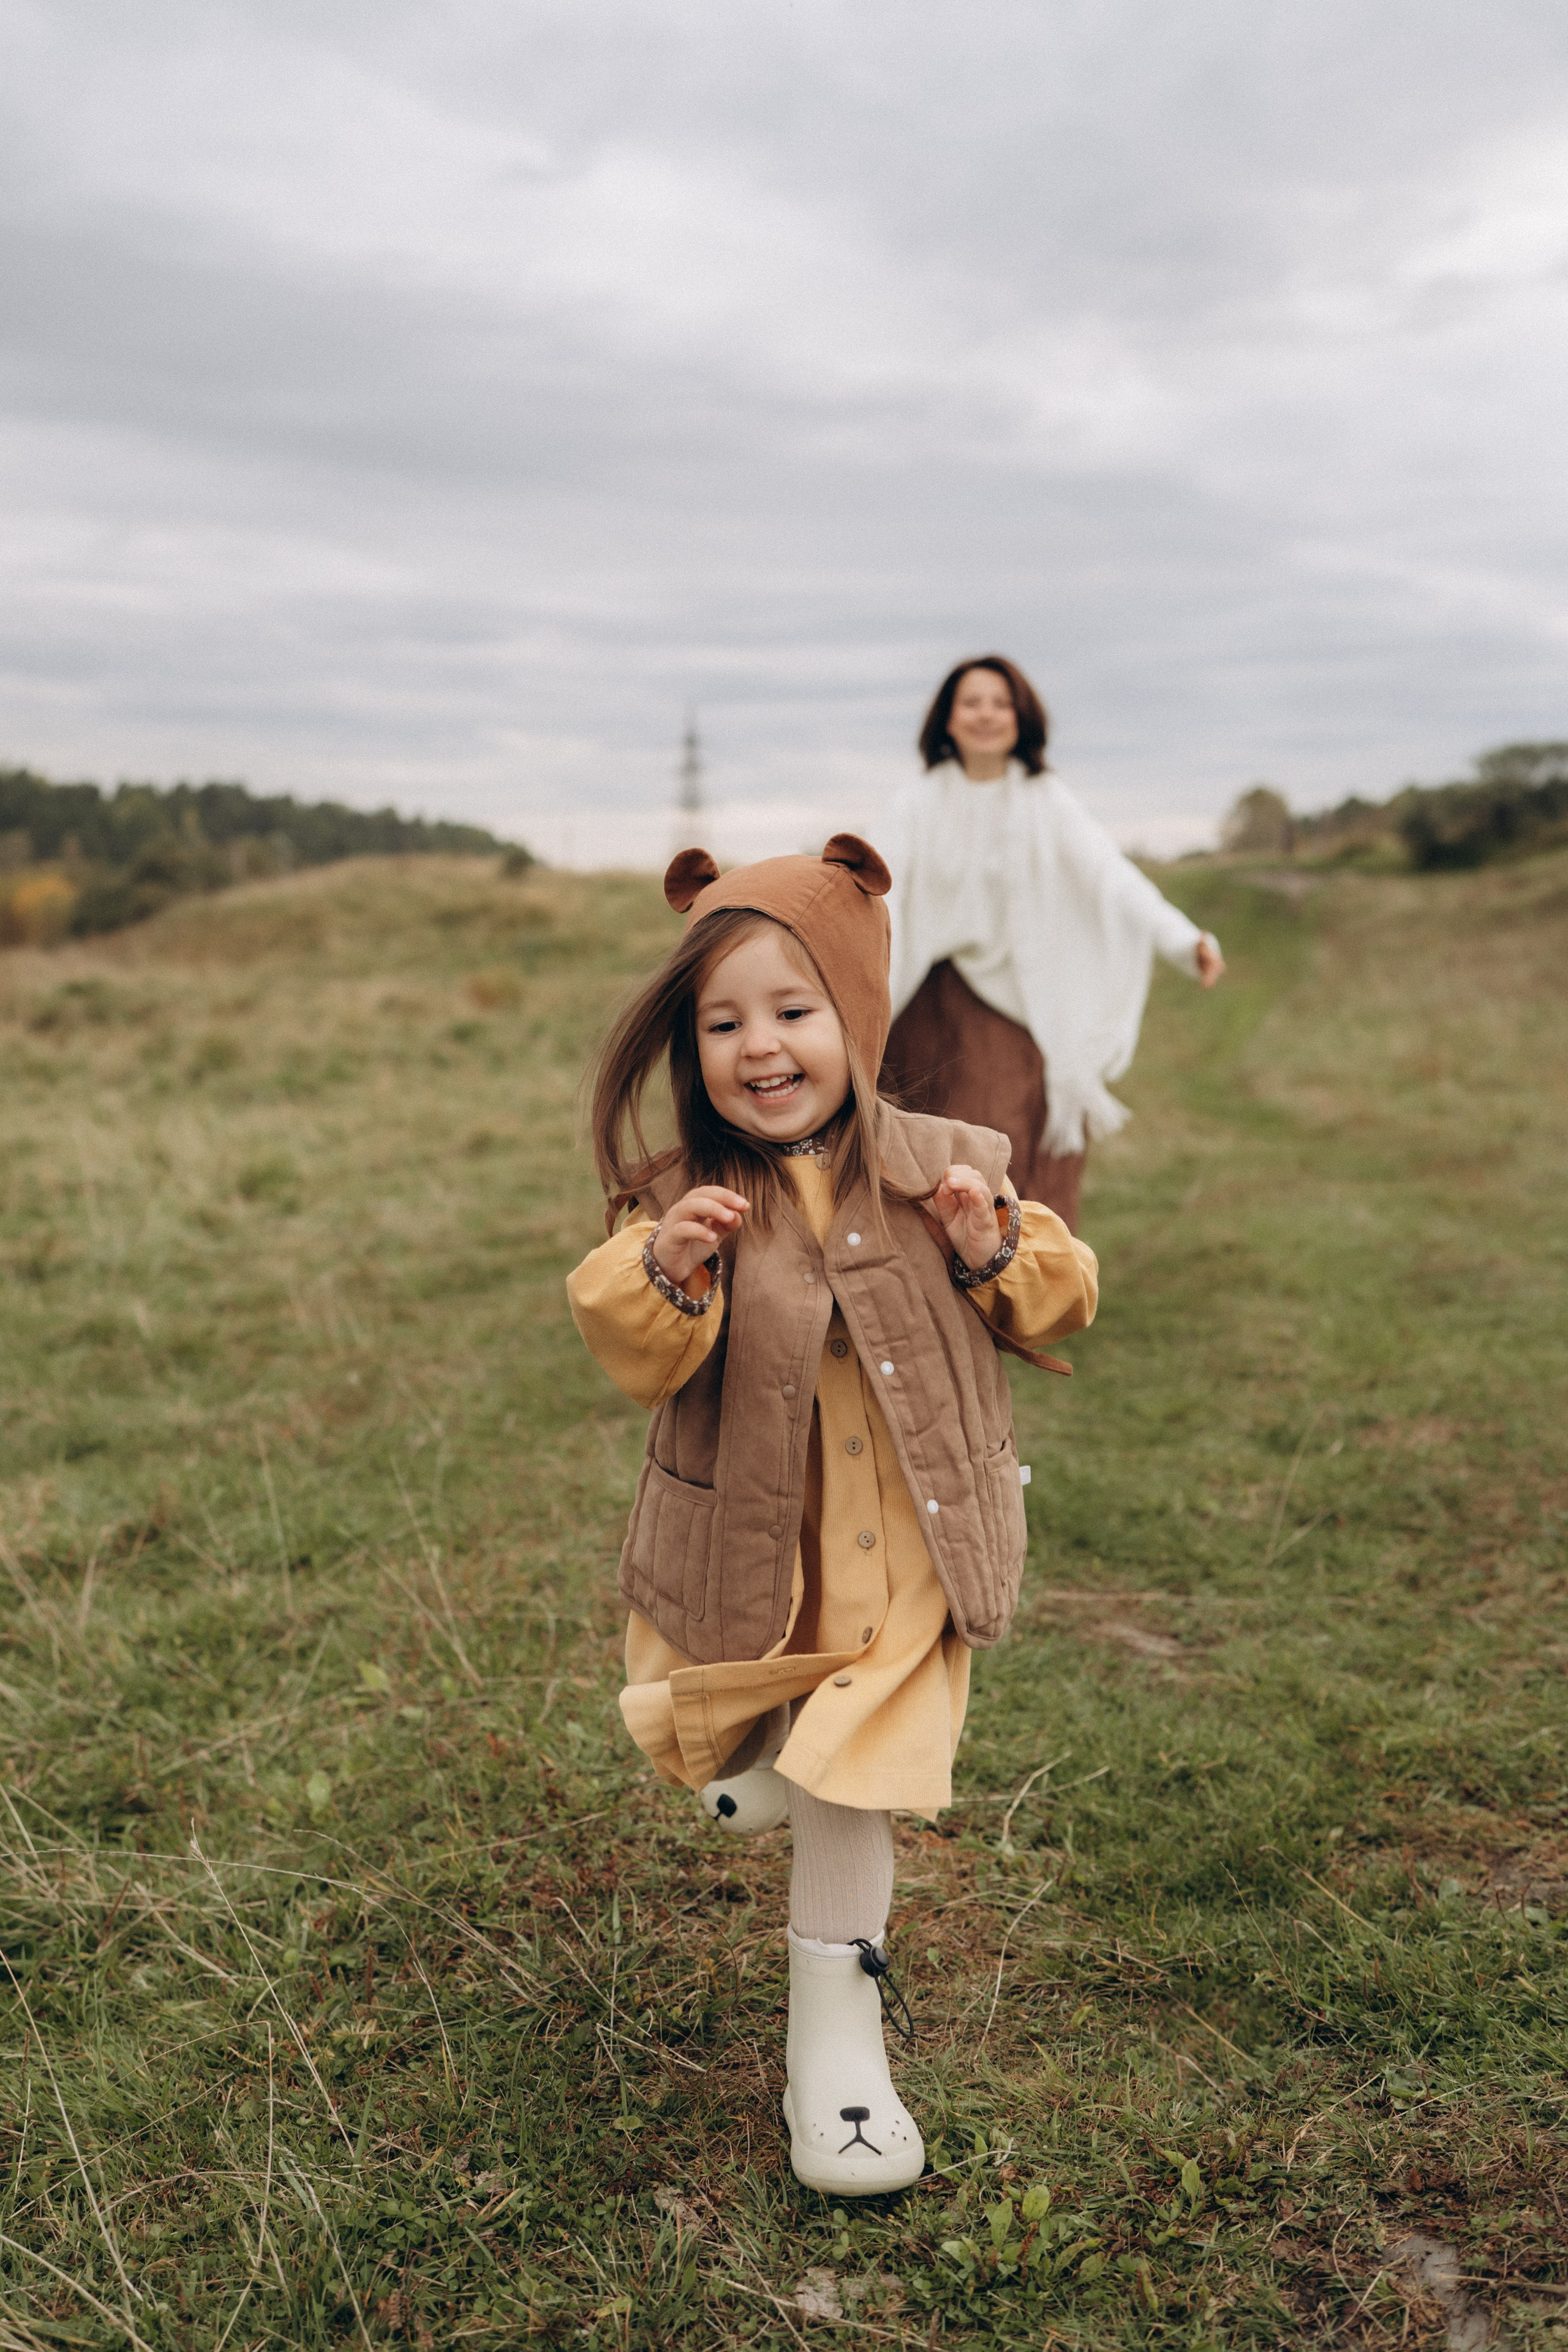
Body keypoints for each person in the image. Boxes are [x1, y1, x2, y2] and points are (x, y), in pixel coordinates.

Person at [568, 835, 1097, 2195]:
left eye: (793, 1012)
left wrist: (990, 1247)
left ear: (854, 1017)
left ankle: (838, 2065)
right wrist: (667, 1272)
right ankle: (753, 1749)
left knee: (851, 1786)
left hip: (912, 1559)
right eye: (723, 1021)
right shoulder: (686, 1193)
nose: (760, 1047)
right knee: (768, 1737)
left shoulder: (947, 1168)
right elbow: (627, 1341)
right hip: (762, 1547)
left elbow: (1056, 1301)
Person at [880, 655, 1224, 1234]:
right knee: (926, 1161)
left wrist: (1184, 941)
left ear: (1022, 717)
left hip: (1017, 1008)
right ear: (947, 719)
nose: (986, 714)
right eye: (972, 702)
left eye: (1000, 702)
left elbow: (1109, 876)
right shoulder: (917, 802)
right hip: (924, 1012)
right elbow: (876, 887)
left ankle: (1020, 1296)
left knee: (1005, 1151)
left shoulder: (1044, 798)